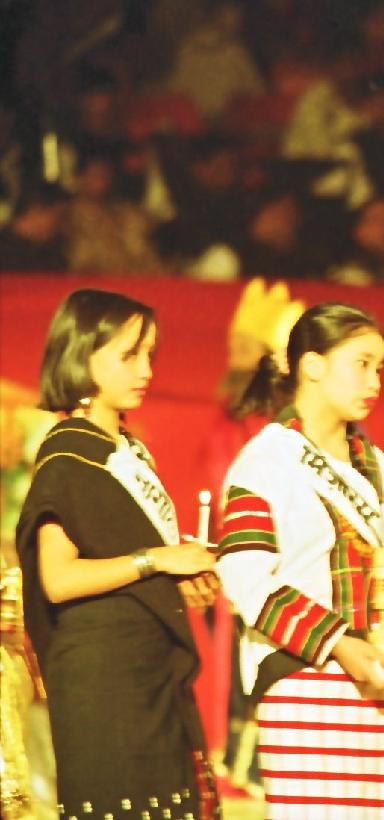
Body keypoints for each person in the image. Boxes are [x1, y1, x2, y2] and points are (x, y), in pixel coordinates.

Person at [214, 302, 384, 818]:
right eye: (361, 364)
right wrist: (338, 642)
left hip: (381, 679)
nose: (375, 381)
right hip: (305, 683)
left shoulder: (376, 464)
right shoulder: (265, 461)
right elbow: (245, 578)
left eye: (380, 367)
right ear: (312, 365)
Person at [16, 289, 220, 819]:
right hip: (106, 688)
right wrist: (158, 561)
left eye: (150, 354)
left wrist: (176, 581)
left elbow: (122, 563)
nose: (146, 370)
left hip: (147, 678)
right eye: (129, 355)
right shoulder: (68, 454)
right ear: (82, 356)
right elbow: (58, 578)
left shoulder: (128, 452)